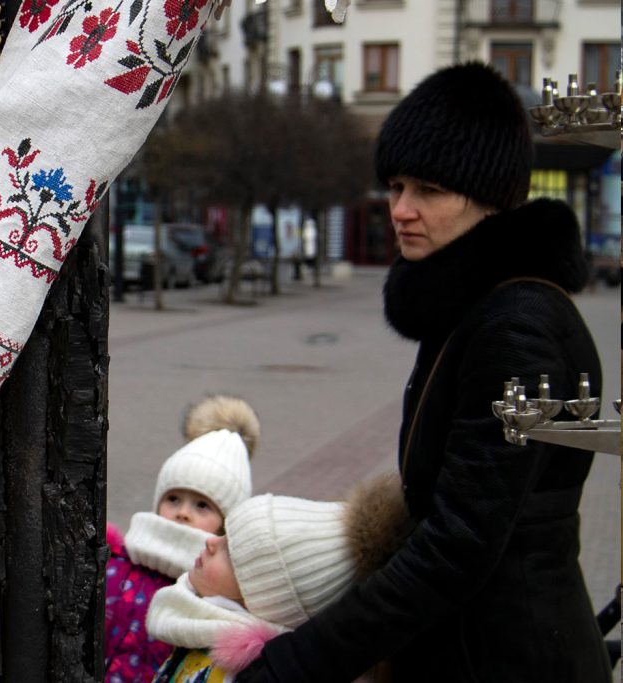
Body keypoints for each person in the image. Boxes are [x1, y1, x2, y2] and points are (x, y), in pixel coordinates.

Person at [237, 62, 613, 682]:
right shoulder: (473, 305)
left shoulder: (517, 327)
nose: (401, 210)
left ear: (488, 197)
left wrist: (292, 666)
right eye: (395, 186)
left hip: (508, 659)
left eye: (429, 192)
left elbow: (456, 547)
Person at [146, 475, 410, 682]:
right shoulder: (200, 624)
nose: (212, 542)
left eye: (232, 553)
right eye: (224, 535)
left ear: (262, 596)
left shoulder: (240, 669)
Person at [105, 395, 260, 682]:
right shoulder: (114, 563)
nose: (183, 513)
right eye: (173, 498)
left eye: (202, 505)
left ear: (224, 528)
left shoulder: (209, 595)